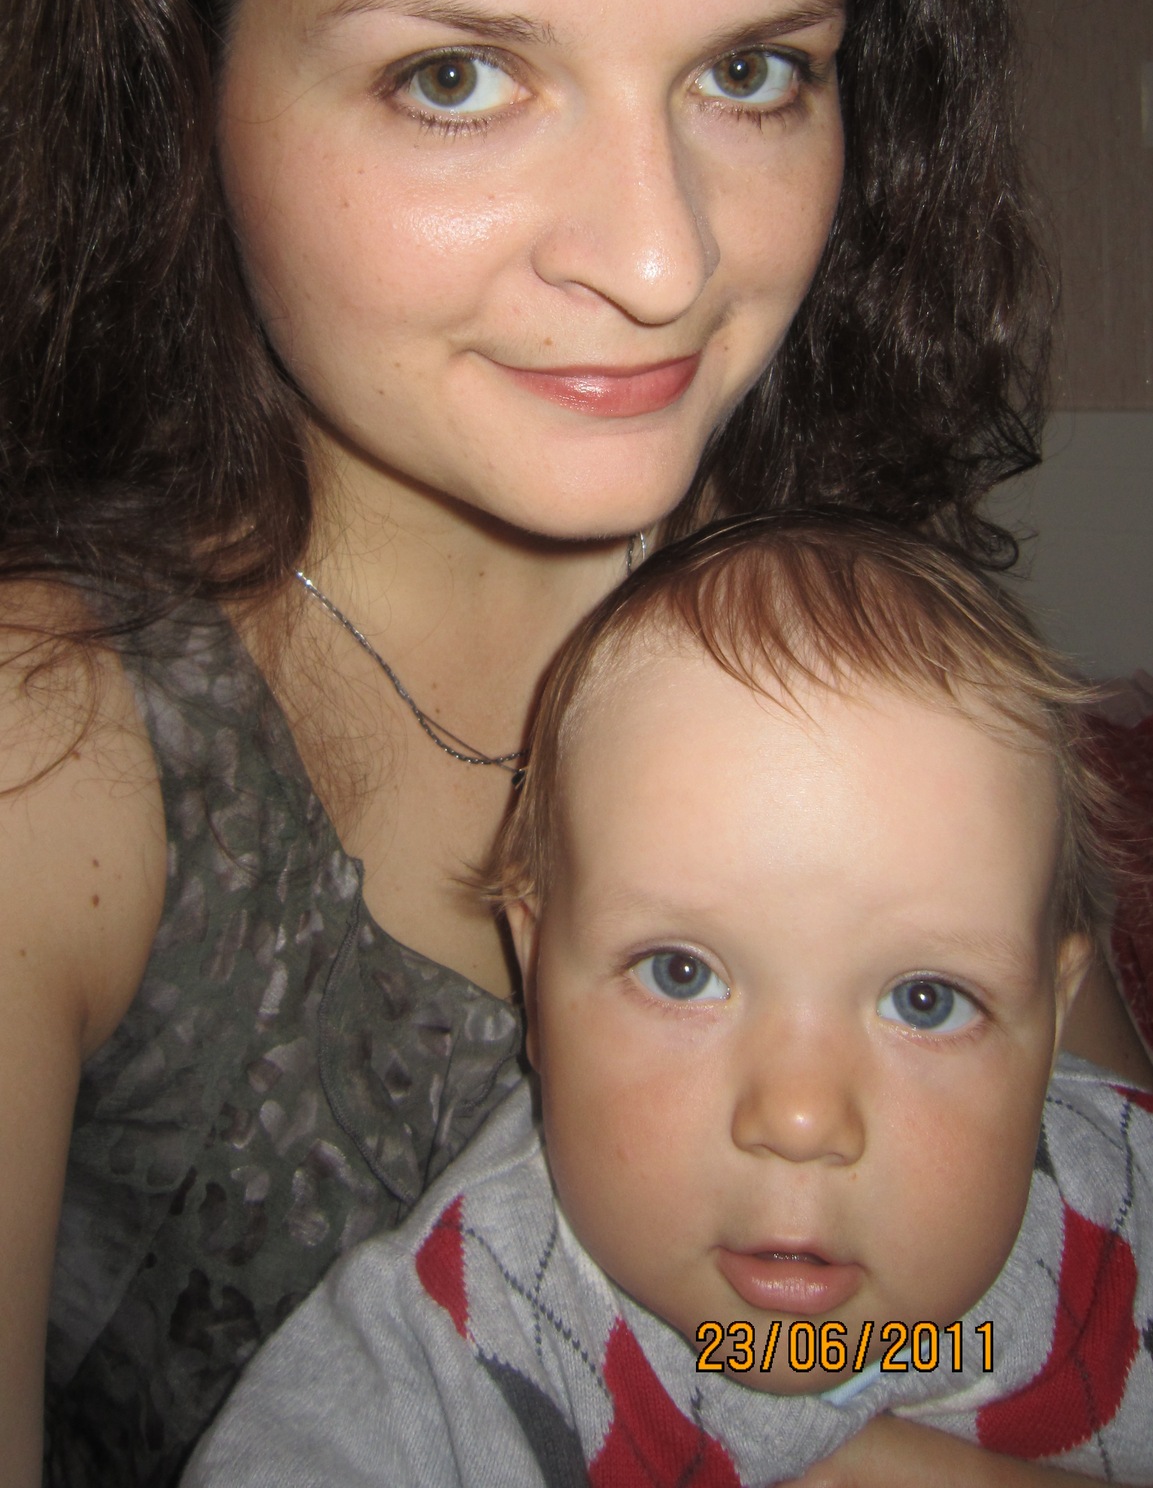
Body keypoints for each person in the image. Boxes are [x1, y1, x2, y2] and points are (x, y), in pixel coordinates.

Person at [0, 0, 1146, 1483]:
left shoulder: (854, 642)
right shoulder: (52, 765)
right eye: (456, 75)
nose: (661, 259)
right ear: (187, 81)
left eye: (751, 71)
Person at [183, 515, 1153, 1487]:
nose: (800, 1117)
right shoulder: (441, 1357)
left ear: (1051, 1018)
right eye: (681, 972)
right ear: (534, 965)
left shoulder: (1122, 1202)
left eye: (926, 999)